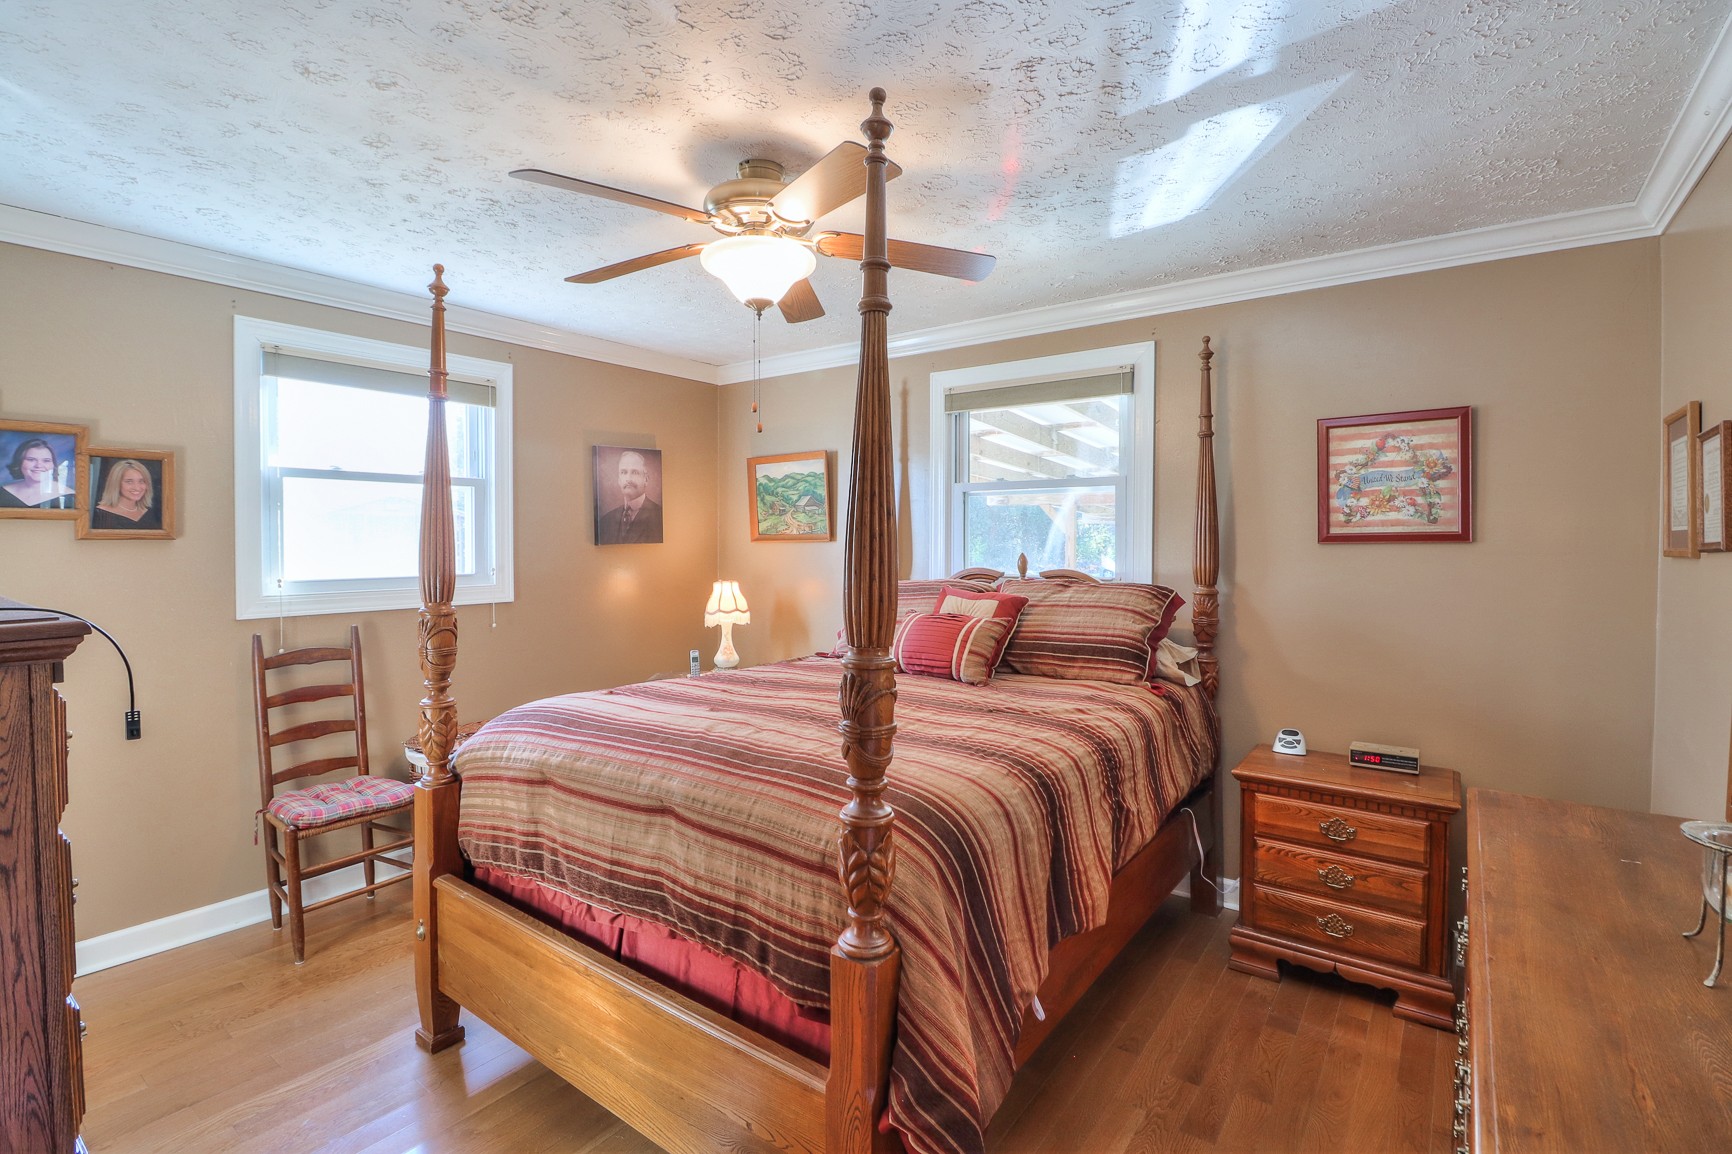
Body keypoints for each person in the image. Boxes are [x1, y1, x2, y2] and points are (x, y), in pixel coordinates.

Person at [595, 449, 664, 545]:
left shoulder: (660, 517)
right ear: (619, 480)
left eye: (635, 472)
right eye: (623, 472)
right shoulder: (606, 520)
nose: (628, 479)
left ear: (646, 480)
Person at [0, 437, 75, 510]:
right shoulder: (2, 493)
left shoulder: (69, 496)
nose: (38, 465)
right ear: (19, 463)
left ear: (53, 465)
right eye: (31, 459)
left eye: (46, 460)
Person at [90, 458, 160, 530]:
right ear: (116, 483)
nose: (137, 487)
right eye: (129, 481)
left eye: (141, 481)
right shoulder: (102, 513)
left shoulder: (148, 512)